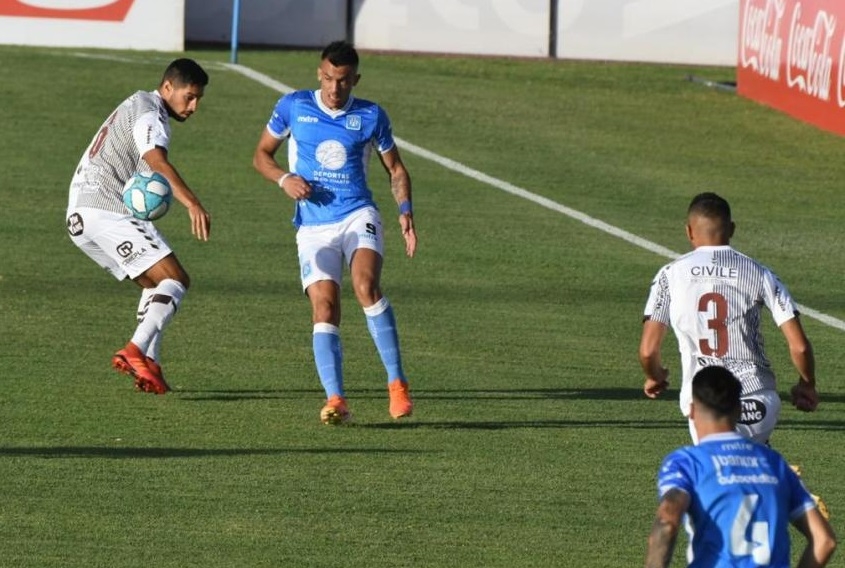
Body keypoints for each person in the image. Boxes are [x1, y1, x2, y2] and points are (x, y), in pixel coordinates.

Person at [252, 40, 417, 424]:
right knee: (325, 308)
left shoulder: (371, 115)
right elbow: (261, 155)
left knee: (365, 286)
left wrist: (405, 211)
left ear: (355, 79)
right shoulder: (293, 106)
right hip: (312, 226)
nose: (334, 88)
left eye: (342, 80)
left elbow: (395, 169)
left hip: (358, 214)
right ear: (319, 73)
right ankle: (336, 399)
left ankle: (397, 384)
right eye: (328, 78)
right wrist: (284, 180)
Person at [66, 58, 211, 394]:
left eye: (198, 99)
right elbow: (155, 160)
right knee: (176, 279)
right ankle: (135, 350)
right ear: (168, 87)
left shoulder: (136, 103)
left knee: (154, 283)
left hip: (79, 218)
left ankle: (150, 363)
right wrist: (192, 203)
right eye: (189, 97)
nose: (194, 107)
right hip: (107, 209)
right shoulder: (151, 113)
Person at [639, 192, 818, 446]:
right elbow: (799, 346)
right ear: (731, 229)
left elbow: (648, 351)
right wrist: (807, 385)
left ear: (689, 231)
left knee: (719, 468)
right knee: (754, 463)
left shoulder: (670, 275)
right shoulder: (760, 273)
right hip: (758, 401)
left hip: (705, 404)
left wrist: (655, 375)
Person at [645, 366, 836, 568]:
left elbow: (667, 522)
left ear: (692, 411)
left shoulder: (687, 463)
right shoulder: (776, 464)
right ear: (739, 410)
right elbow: (824, 540)